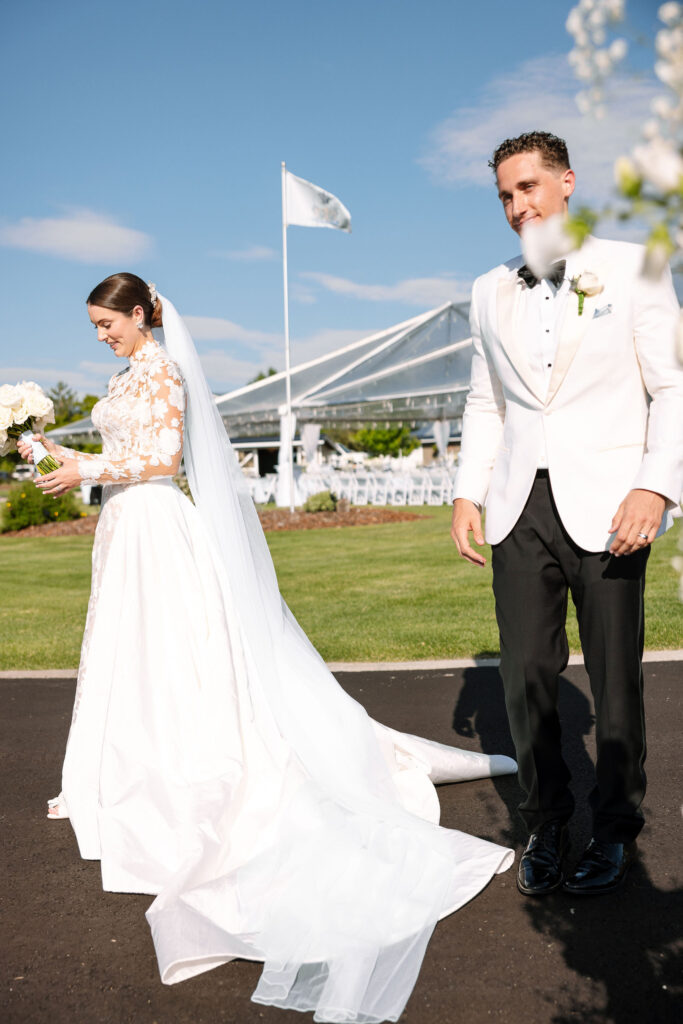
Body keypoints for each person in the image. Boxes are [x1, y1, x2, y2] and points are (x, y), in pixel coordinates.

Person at [19, 272, 517, 1024]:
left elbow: (160, 461)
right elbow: (121, 447)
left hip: (155, 524)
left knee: (170, 658)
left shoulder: (163, 371)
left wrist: (84, 468)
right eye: (93, 327)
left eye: (106, 323)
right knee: (124, 652)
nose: (101, 337)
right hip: (122, 529)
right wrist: (53, 449)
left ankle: (179, 770)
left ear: (139, 314)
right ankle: (107, 771)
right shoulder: (124, 377)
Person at [451, 131, 683, 898]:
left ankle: (613, 828)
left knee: (614, 679)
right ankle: (546, 823)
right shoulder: (488, 289)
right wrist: (466, 492)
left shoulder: (636, 264)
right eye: (504, 197)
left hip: (614, 503)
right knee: (524, 676)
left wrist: (653, 486)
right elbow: (484, 400)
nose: (517, 207)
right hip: (519, 507)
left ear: (566, 184)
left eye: (528, 189)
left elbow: (671, 388)